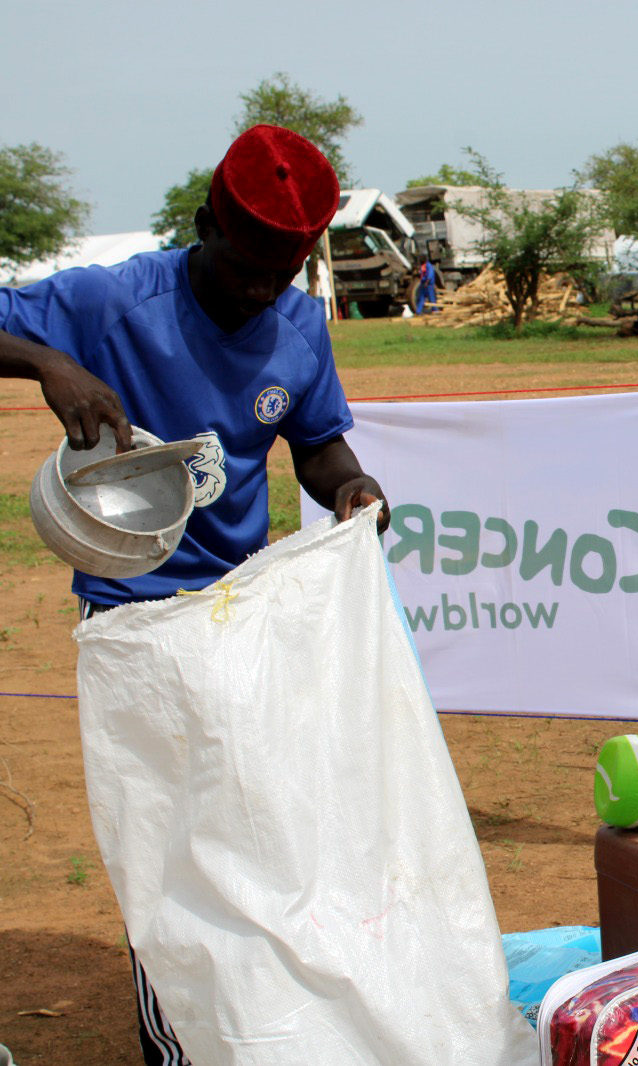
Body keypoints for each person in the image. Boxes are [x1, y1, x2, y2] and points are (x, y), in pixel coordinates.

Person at [0, 124, 389, 1066]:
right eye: (246, 263)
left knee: (254, 834)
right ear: (204, 219)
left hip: (245, 619)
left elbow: (319, 444)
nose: (261, 289)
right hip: (135, 623)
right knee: (167, 854)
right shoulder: (110, 300)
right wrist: (49, 362)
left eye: (282, 270)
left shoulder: (299, 325)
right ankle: (173, 1047)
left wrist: (351, 489)